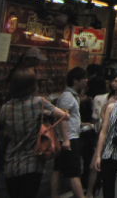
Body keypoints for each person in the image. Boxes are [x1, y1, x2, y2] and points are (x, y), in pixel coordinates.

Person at [0, 69, 68, 198]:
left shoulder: (5, 107)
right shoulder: (38, 102)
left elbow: (3, 129)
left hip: (10, 163)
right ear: (32, 85)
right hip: (33, 161)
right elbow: (64, 116)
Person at [52, 67, 88, 198]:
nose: (86, 80)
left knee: (58, 168)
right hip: (69, 138)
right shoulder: (67, 96)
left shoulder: (71, 95)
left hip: (69, 136)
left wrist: (82, 124)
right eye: (84, 78)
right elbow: (62, 118)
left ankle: (54, 195)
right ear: (75, 80)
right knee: (74, 172)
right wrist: (66, 139)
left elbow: (70, 117)